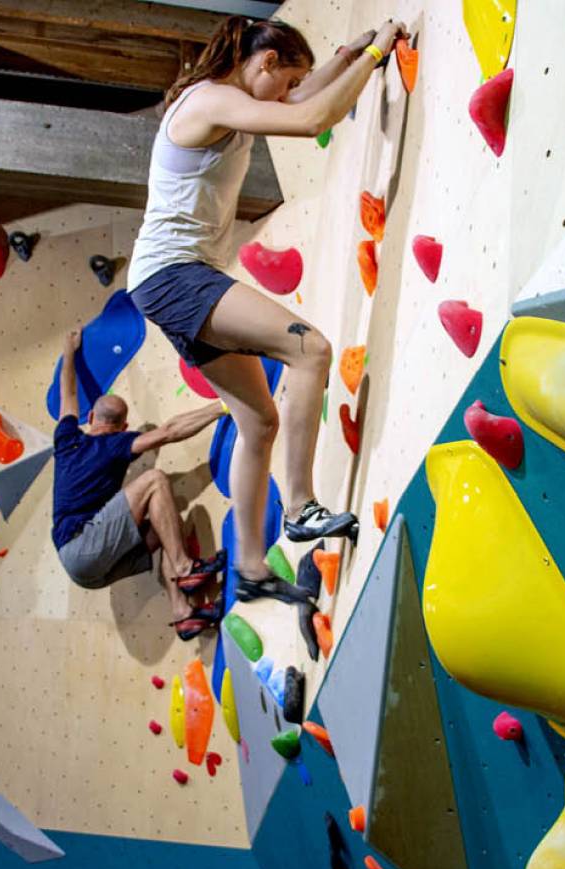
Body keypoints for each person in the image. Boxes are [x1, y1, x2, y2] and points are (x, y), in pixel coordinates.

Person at [127, 15, 406, 604]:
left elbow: (302, 97)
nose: (284, 93)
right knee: (311, 350)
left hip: (167, 281)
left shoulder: (232, 97)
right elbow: (311, 117)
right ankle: (300, 505)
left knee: (258, 421)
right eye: (284, 78)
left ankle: (250, 569)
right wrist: (376, 57)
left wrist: (348, 53)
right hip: (176, 276)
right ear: (264, 62)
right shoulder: (209, 101)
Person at [52, 329, 228, 640]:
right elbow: (169, 432)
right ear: (124, 427)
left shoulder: (66, 439)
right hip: (83, 543)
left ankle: (182, 612)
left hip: (82, 569)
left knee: (162, 528)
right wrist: (223, 405)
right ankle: (186, 569)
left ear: (90, 416)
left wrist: (69, 351)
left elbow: (68, 394)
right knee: (155, 480)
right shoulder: (118, 444)